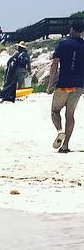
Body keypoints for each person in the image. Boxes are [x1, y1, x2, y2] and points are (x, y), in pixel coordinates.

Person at [47, 18, 84, 153]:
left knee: (55, 111)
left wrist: (50, 85)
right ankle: (66, 145)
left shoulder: (63, 44)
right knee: (70, 115)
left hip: (64, 84)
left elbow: (54, 64)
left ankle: (59, 130)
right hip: (79, 86)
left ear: (72, 29)